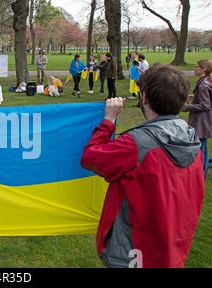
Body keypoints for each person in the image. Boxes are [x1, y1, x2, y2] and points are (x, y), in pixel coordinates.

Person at [81, 65, 205, 268]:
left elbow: (90, 158)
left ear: (144, 98)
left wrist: (108, 122)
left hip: (133, 252)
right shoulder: (191, 138)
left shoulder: (135, 144)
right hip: (172, 246)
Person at [182, 59, 212, 179]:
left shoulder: (203, 85)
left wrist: (186, 107)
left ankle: (201, 174)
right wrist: (194, 98)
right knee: (202, 146)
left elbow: (205, 105)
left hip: (201, 121)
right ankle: (202, 172)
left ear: (203, 69)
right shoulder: (204, 82)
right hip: (203, 121)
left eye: (196, 67)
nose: (194, 69)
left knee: (201, 148)